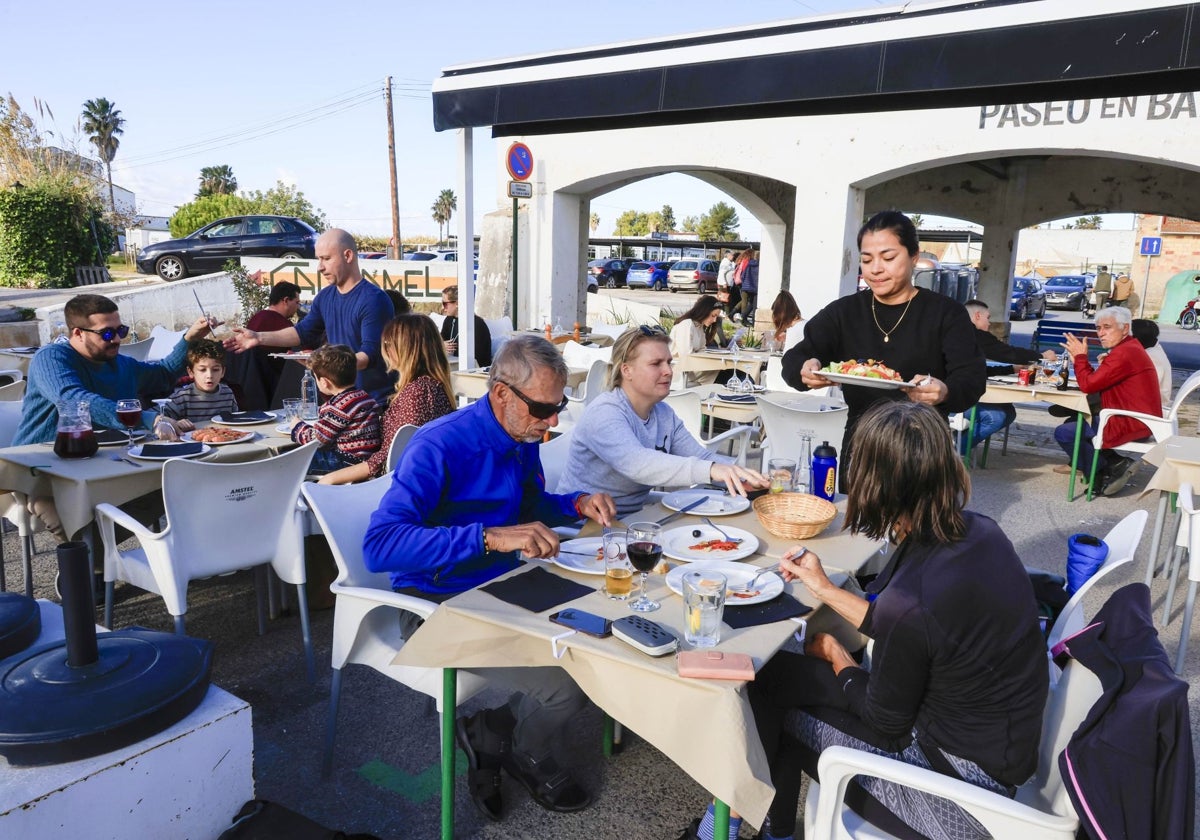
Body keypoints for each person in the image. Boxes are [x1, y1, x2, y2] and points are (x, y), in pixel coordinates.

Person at [679, 401, 1048, 840]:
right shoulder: (978, 530)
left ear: (875, 485)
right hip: (999, 743)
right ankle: (766, 831)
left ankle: (726, 829)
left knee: (767, 695)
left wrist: (837, 655)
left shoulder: (914, 600)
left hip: (960, 792)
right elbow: (915, 630)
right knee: (778, 676)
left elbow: (883, 720)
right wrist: (824, 589)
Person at [362, 334, 617, 819]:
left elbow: (529, 506)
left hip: (501, 588)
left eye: (558, 406)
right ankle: (526, 750)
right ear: (501, 394)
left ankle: (491, 731)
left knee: (605, 639)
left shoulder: (520, 434)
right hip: (435, 605)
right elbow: (380, 546)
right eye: (543, 409)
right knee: (570, 684)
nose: (553, 422)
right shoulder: (439, 444)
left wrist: (576, 503)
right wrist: (490, 538)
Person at [781, 211, 986, 490]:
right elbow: (796, 358)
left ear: (914, 257)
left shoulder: (945, 313)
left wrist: (945, 391)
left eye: (888, 258)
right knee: (858, 530)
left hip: (923, 442)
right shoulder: (845, 312)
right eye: (867, 260)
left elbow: (971, 378)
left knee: (920, 530)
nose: (875, 269)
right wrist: (806, 369)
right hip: (862, 440)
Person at [13, 294, 215, 540]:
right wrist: (148, 418)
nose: (118, 338)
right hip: (41, 464)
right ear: (78, 333)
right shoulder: (51, 358)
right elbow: (74, 400)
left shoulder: (118, 363)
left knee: (176, 482)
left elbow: (162, 374)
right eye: (107, 333)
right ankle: (88, 569)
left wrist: (190, 339)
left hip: (103, 460)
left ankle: (100, 563)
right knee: (72, 524)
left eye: (120, 330)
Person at [558, 326, 767, 514]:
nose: (668, 371)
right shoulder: (605, 412)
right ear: (626, 370)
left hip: (634, 520)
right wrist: (712, 469)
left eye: (668, 362)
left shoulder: (663, 413)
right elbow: (637, 464)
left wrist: (749, 477)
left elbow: (700, 457)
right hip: (582, 527)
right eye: (655, 364)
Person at [224, 229, 395, 402]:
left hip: (371, 403)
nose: (320, 267)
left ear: (348, 256)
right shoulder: (325, 296)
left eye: (326, 259)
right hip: (339, 402)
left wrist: (325, 364)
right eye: (318, 259)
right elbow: (301, 332)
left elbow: (369, 355)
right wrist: (258, 337)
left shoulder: (374, 300)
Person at [318, 313, 457, 485]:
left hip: (387, 484)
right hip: (412, 480)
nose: (384, 349)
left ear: (404, 348)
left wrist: (332, 478)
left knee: (302, 464)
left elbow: (388, 458)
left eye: (387, 344)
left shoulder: (418, 393)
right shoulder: (432, 387)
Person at [1057, 306, 1161, 496]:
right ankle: (1112, 465)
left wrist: (1080, 358)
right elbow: (1097, 381)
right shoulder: (1129, 348)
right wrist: (1081, 361)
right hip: (1134, 417)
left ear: (1125, 328)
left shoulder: (1125, 352)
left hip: (1132, 422)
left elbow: (1089, 385)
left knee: (1065, 433)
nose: (1101, 333)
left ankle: (1101, 470)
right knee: (1073, 423)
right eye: (1098, 328)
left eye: (1107, 327)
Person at [961, 299, 1056, 452]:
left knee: (1008, 412)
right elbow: (1007, 352)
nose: (990, 323)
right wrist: (1041, 355)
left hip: (959, 395)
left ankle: (955, 442)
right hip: (950, 400)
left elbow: (978, 370)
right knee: (995, 417)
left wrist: (1012, 369)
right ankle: (954, 454)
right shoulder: (972, 333)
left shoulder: (963, 333)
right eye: (988, 318)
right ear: (977, 315)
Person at [289, 344, 382, 475]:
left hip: (345, 462)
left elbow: (316, 441)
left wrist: (297, 426)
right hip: (366, 458)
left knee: (291, 460)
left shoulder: (337, 407)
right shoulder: (364, 397)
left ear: (324, 382)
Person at [162, 339, 239, 426]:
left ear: (223, 372)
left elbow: (234, 420)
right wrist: (175, 423)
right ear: (191, 372)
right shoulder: (182, 397)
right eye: (202, 370)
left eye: (215, 370)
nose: (209, 375)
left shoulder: (227, 393)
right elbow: (158, 417)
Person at [669, 295, 725, 388]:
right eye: (713, 316)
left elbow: (702, 349)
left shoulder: (699, 326)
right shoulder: (687, 325)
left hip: (693, 366)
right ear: (704, 311)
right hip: (680, 370)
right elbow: (686, 355)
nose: (715, 320)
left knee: (725, 369)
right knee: (724, 371)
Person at [439, 284, 492, 368]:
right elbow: (440, 341)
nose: (443, 307)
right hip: (453, 366)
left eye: (445, 304)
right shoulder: (448, 320)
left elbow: (479, 357)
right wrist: (441, 345)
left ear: (457, 303)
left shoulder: (477, 324)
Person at [1131, 317, 1173, 407]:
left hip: (1149, 409)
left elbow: (1143, 390)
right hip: (1150, 404)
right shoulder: (1154, 350)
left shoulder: (1150, 357)